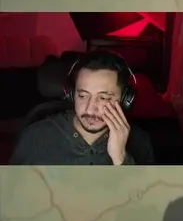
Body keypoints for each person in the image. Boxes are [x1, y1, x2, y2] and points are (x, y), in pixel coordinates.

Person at [9, 51, 154, 165]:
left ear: (126, 99)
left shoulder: (139, 142)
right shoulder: (35, 137)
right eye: (83, 96)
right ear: (72, 94)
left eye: (103, 98)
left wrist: (121, 158)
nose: (90, 110)